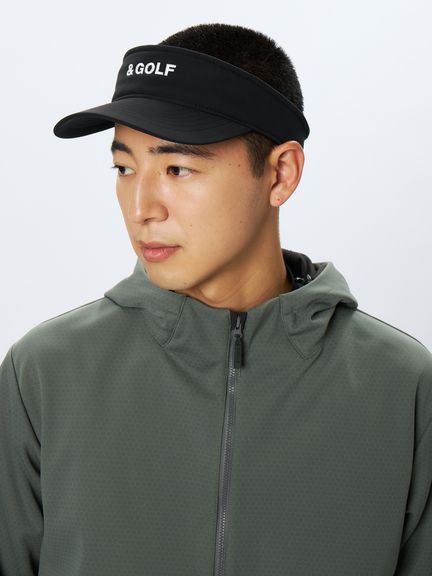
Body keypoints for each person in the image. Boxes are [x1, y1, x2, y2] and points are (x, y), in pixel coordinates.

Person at [0, 22, 431, 576]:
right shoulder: (43, 374)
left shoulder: (402, 387)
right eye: (124, 168)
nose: (141, 208)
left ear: (281, 173)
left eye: (177, 168)